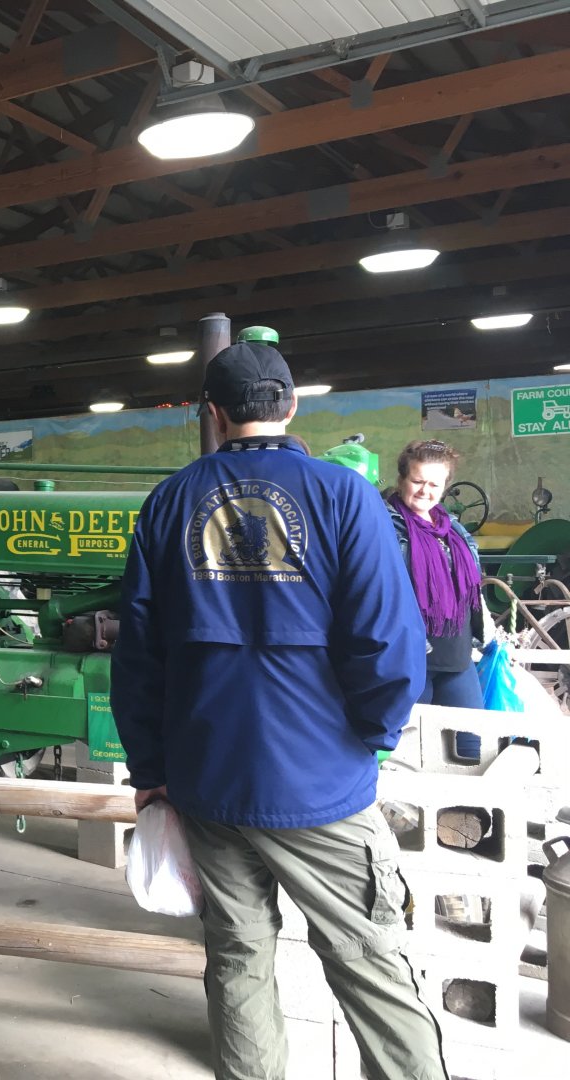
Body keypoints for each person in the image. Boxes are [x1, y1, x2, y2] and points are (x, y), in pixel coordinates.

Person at [111, 341, 446, 1080]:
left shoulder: (169, 501)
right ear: (293, 404)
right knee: (370, 961)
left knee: (236, 956)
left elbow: (138, 656)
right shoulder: (343, 494)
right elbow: (390, 641)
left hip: (207, 781)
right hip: (320, 782)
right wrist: (372, 738)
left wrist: (151, 770)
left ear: (213, 413)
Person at [385, 441, 485, 717]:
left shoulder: (455, 529)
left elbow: (472, 589)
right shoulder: (382, 526)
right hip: (407, 658)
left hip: (457, 656)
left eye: (434, 485)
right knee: (408, 741)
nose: (424, 491)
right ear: (402, 480)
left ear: (444, 487)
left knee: (472, 738)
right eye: (417, 481)